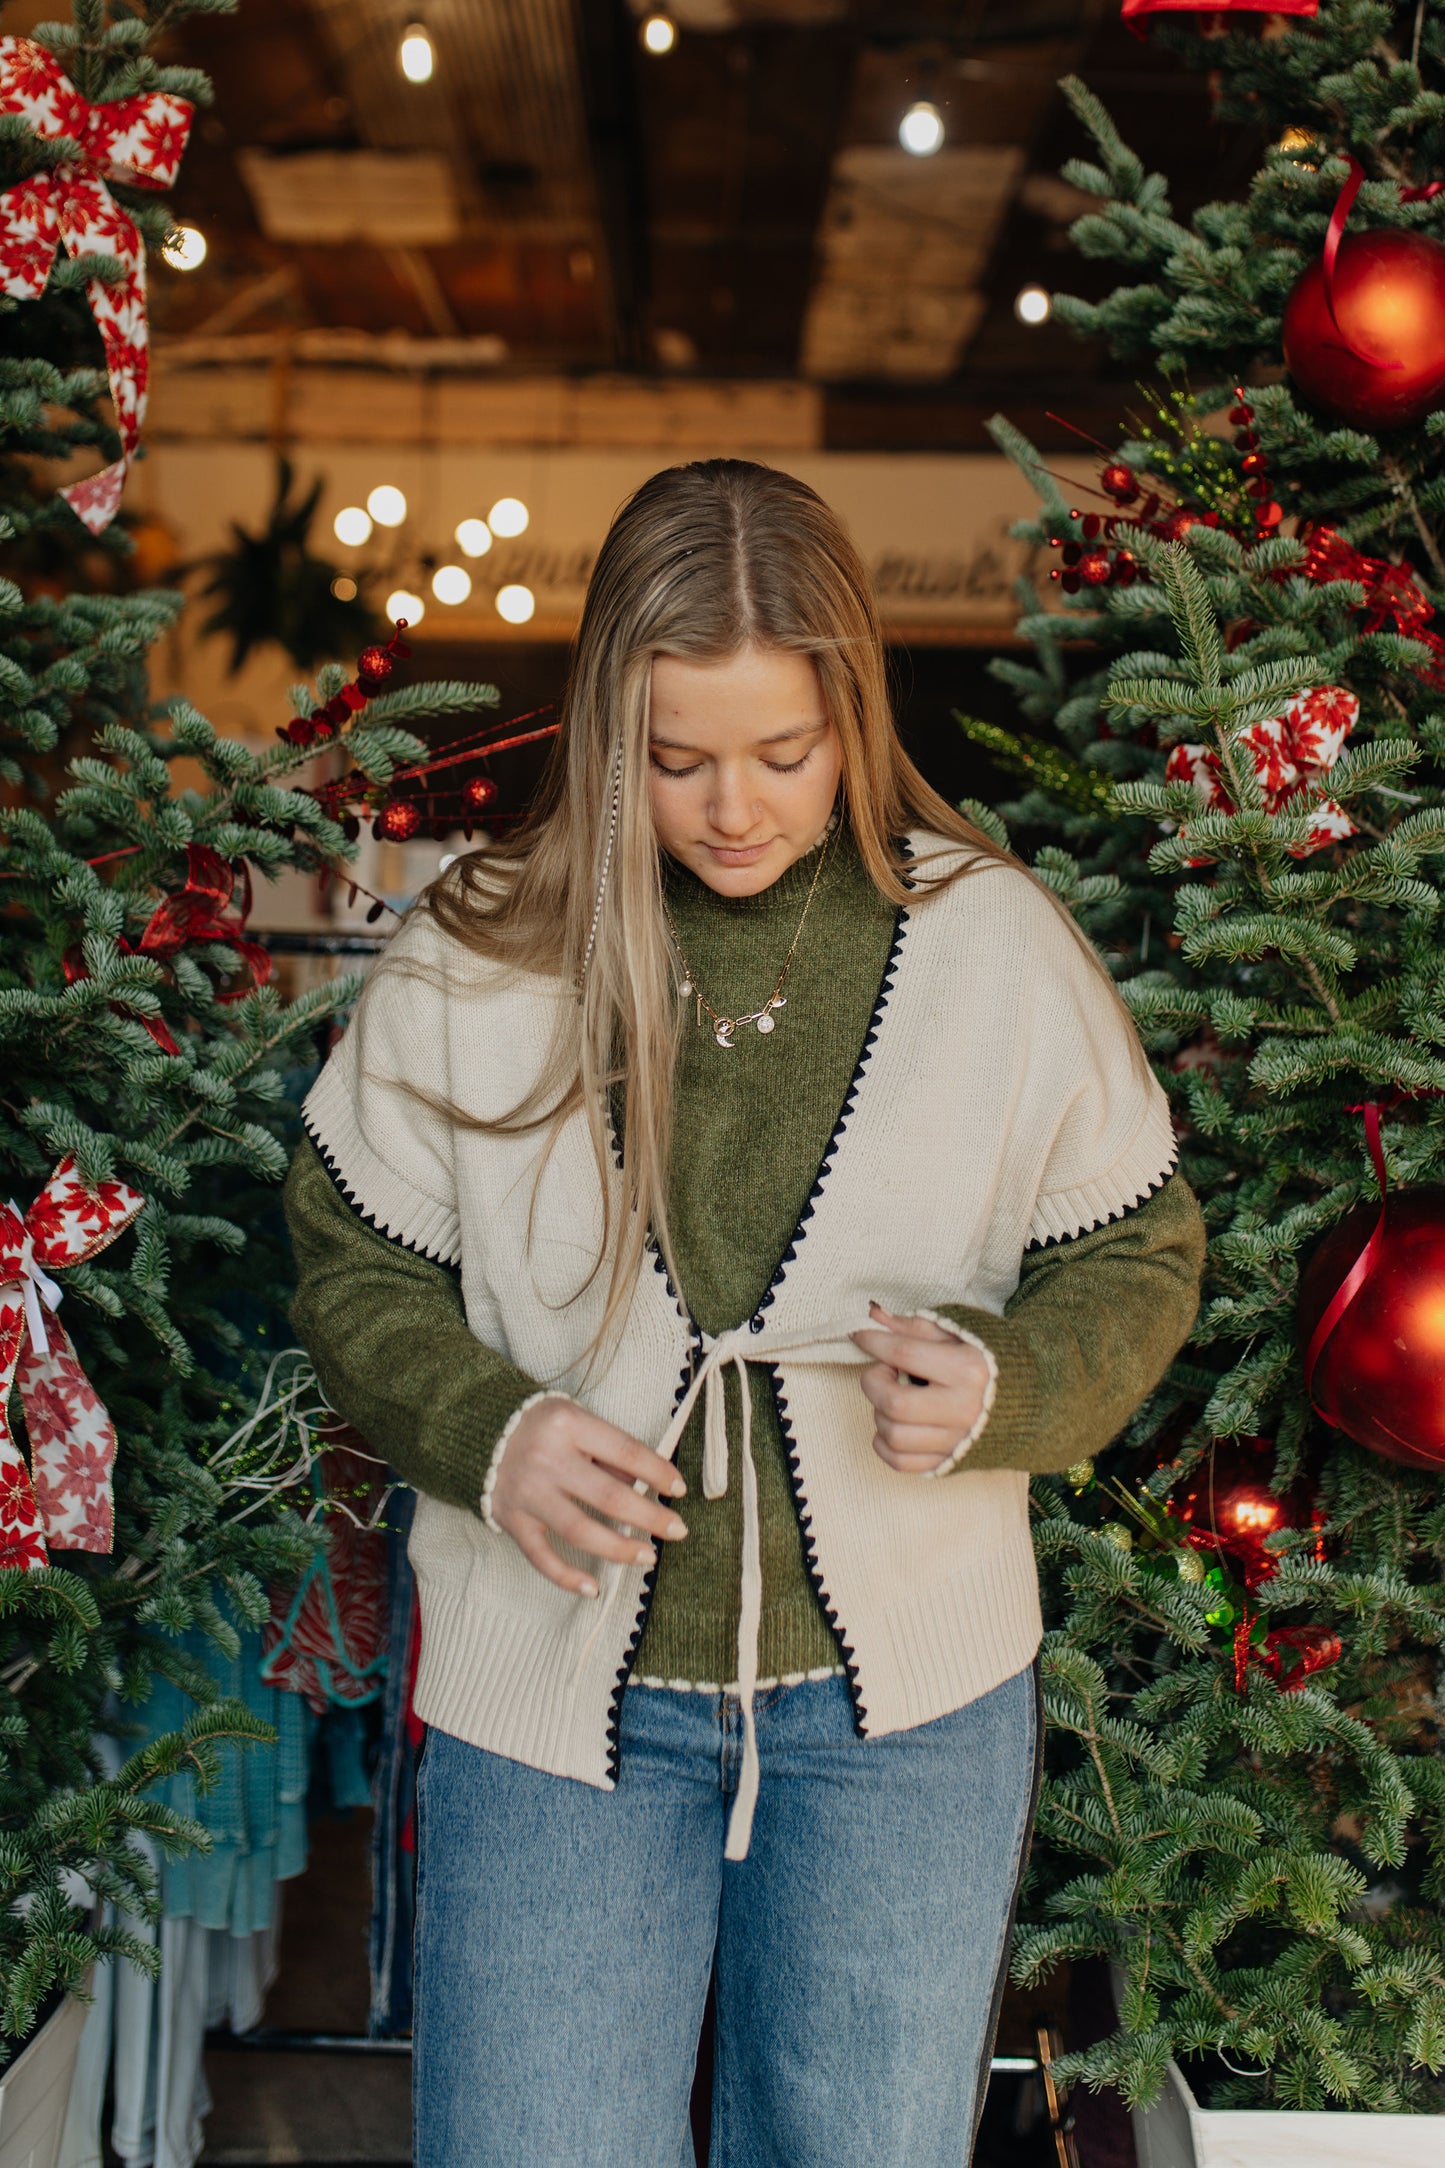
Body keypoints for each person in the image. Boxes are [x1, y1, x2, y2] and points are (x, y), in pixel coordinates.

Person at [285, 457, 1204, 2168]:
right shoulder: (476, 951)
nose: (732, 807)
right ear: (598, 734)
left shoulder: (990, 945)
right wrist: (488, 1432)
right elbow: (354, 1259)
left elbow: (1138, 1253)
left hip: (900, 1721)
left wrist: (1008, 1383)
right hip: (551, 1704)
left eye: (782, 753)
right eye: (674, 757)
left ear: (851, 712)